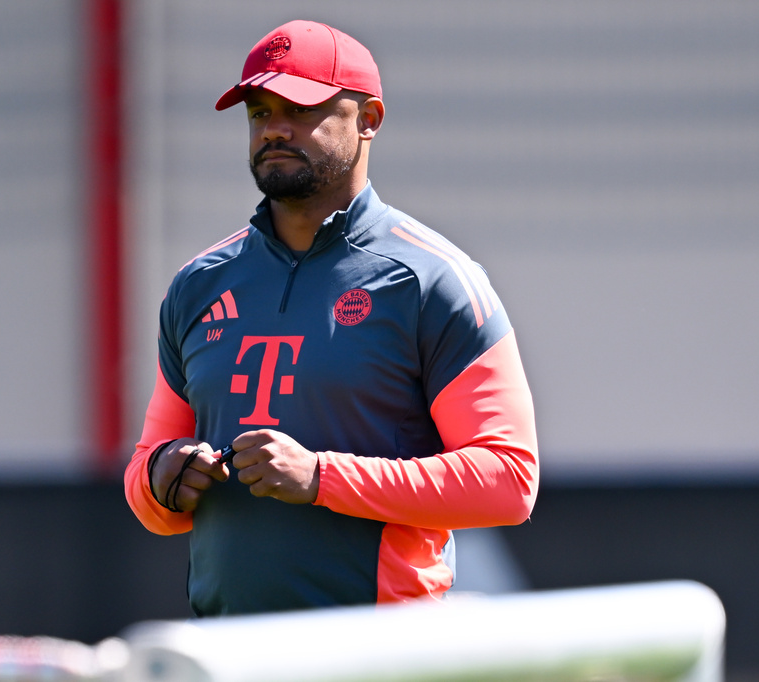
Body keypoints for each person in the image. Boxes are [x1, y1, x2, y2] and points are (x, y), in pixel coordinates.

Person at [124, 19, 538, 616]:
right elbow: (148, 480)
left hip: (382, 655)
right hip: (227, 654)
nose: (275, 129)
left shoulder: (431, 279)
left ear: (368, 120)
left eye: (299, 106)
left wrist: (320, 477)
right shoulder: (198, 285)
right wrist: (164, 474)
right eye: (259, 112)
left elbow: (507, 480)